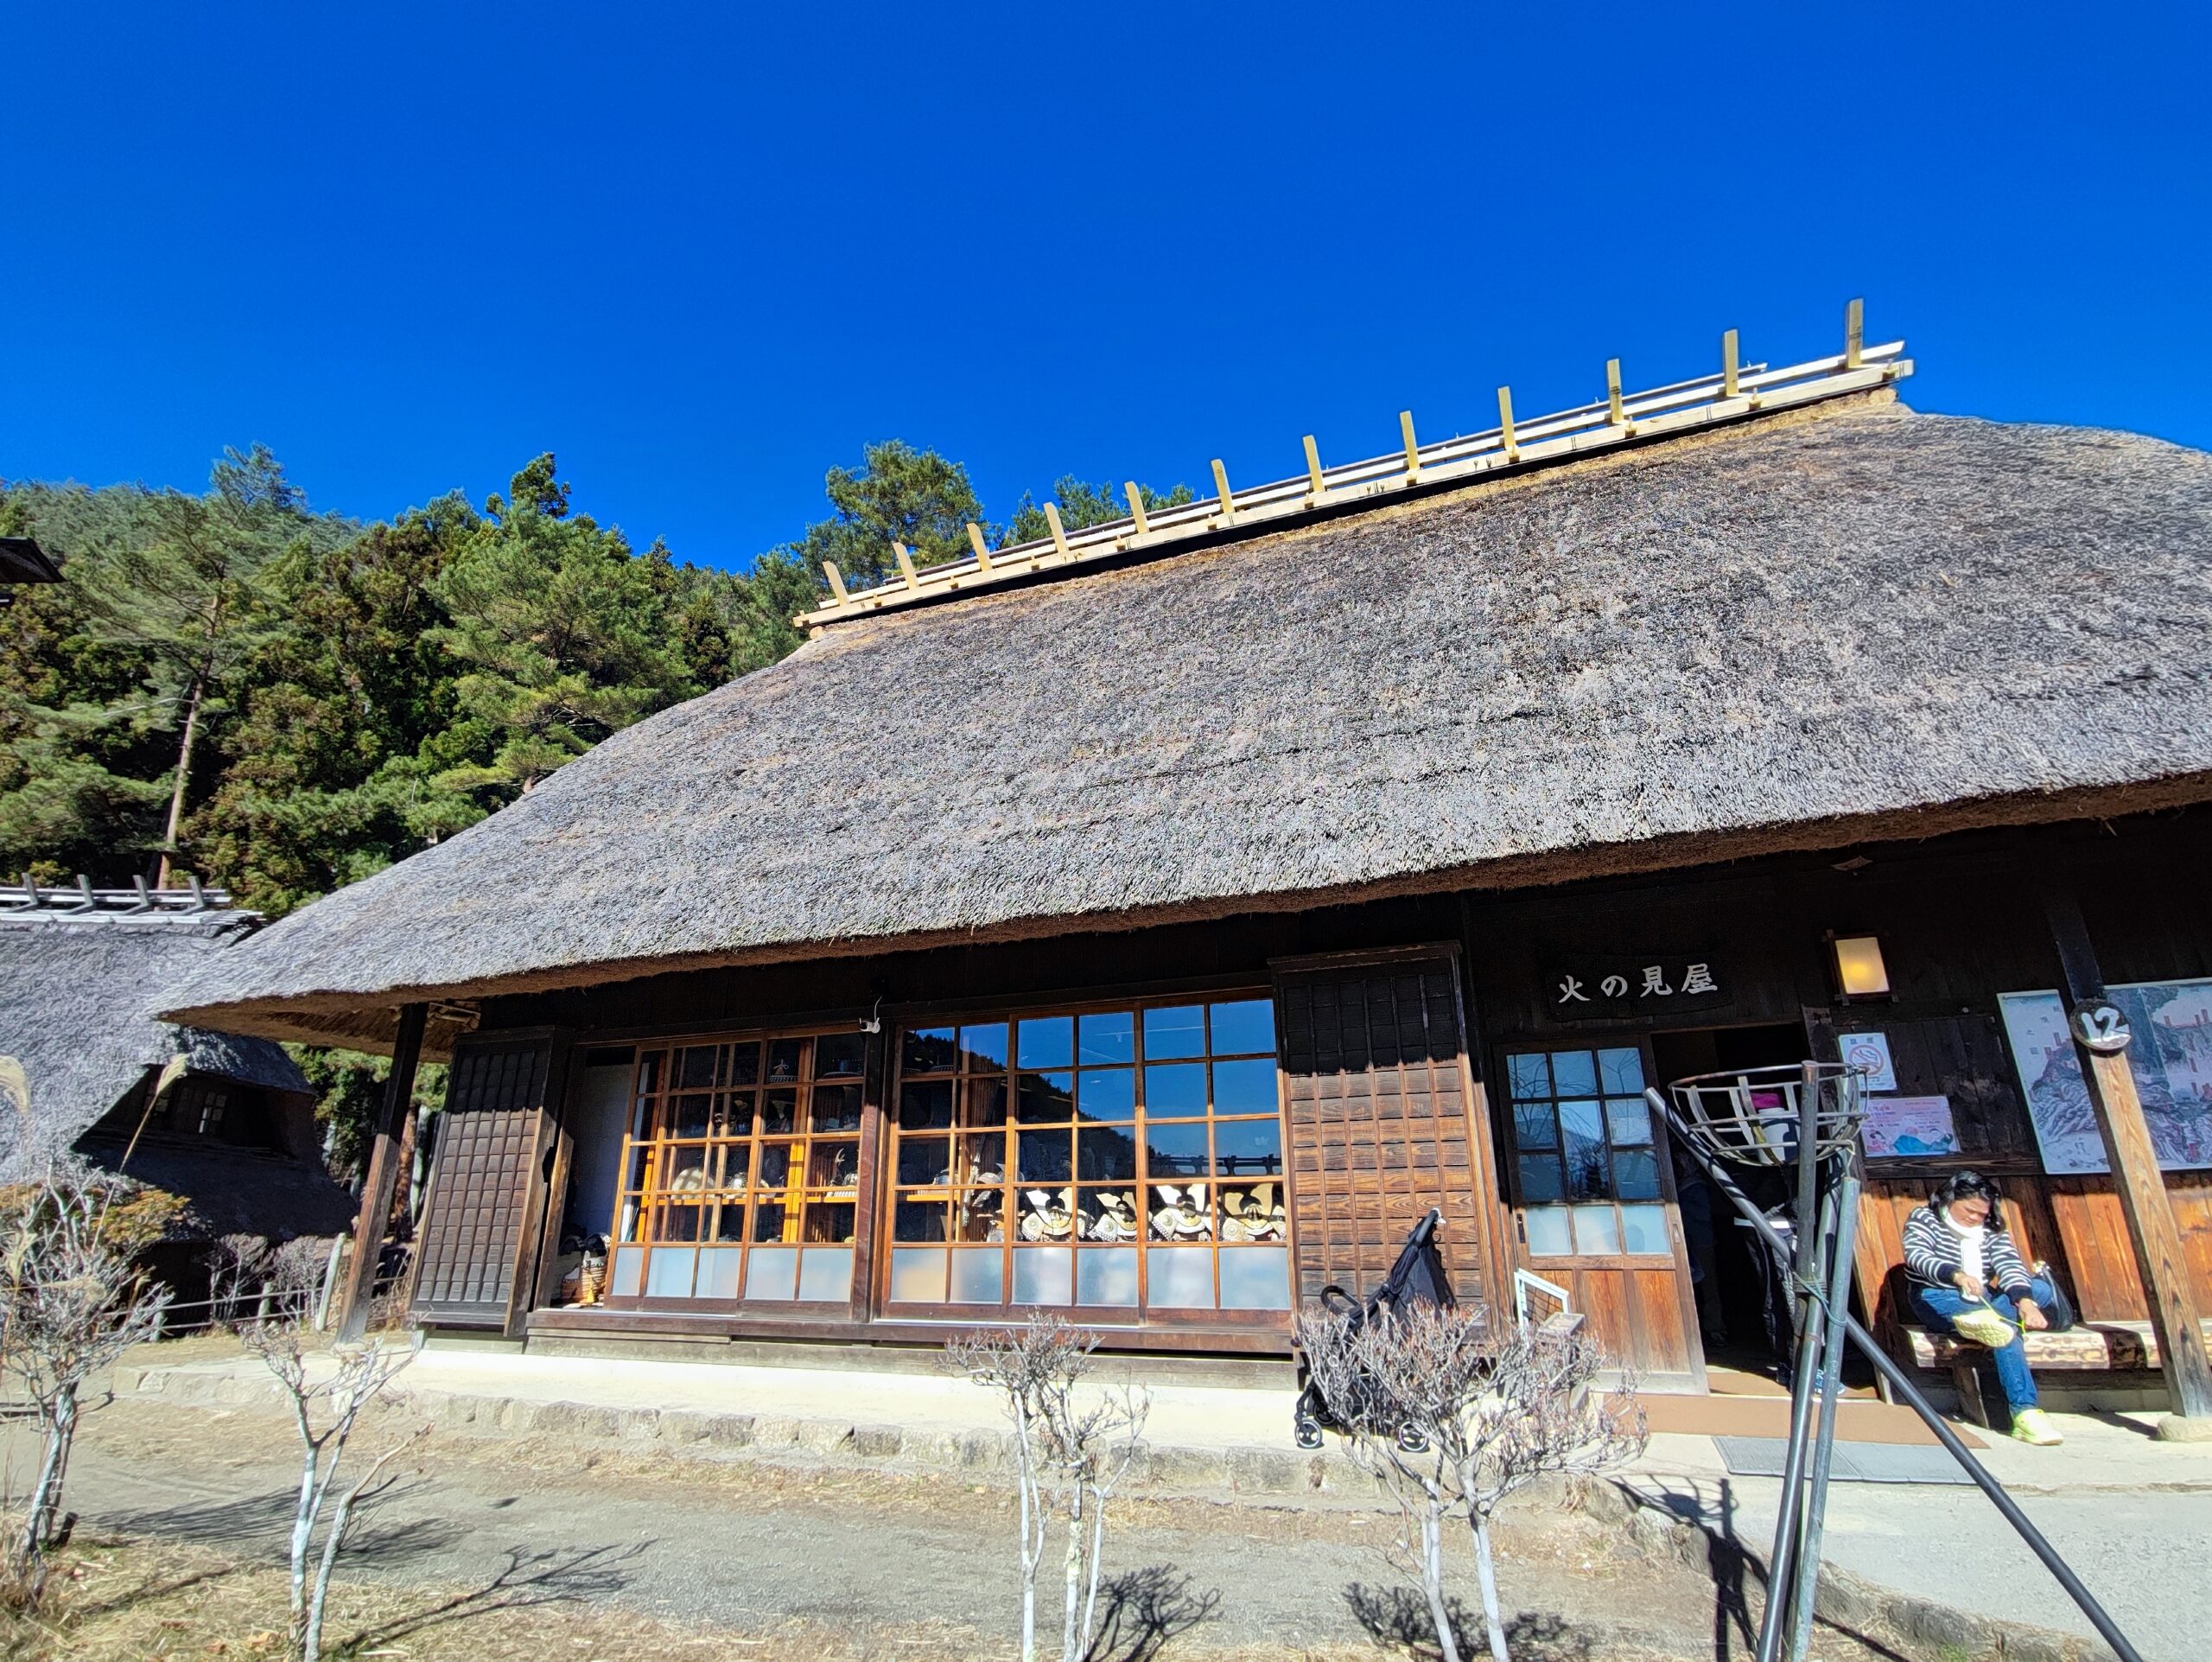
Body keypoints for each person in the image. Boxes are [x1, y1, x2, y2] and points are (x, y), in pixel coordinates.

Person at [1903, 1171, 2064, 1445]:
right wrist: (1957, 1275)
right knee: (2006, 1330)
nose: (1975, 1218)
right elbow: (1917, 1256)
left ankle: (1985, 1319)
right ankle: (2025, 1412)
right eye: (1969, 1211)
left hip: (1984, 1296)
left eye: (1981, 1214)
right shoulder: (1924, 1218)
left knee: (2039, 1291)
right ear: (1950, 1199)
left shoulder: (1991, 1229)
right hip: (1939, 1293)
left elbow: (2009, 1265)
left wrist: (2025, 1301)